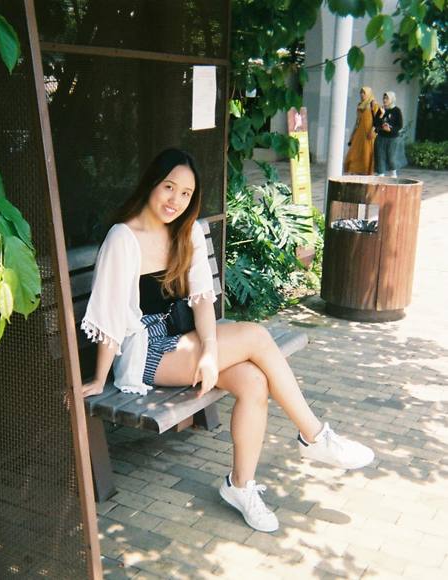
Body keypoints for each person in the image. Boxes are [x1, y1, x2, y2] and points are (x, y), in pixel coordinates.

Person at [81, 148, 374, 533]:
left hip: (181, 340)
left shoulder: (185, 231)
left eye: (185, 193)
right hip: (145, 349)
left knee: (253, 381)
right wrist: (100, 379)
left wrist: (208, 353)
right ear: (152, 184)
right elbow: (110, 314)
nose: (175, 200)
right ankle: (314, 436)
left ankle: (240, 486)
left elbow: (203, 302)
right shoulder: (124, 237)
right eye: (169, 187)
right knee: (256, 335)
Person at [344, 87, 380, 175]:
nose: (362, 94)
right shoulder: (360, 105)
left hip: (369, 132)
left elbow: (378, 119)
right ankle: (353, 169)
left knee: (366, 152)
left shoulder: (373, 104)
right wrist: (353, 133)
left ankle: (366, 170)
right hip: (359, 132)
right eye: (361, 93)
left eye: (364, 93)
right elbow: (358, 120)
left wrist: (373, 130)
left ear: (368, 93)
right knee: (354, 151)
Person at [374, 91, 404, 178]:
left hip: (392, 138)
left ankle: (393, 173)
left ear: (392, 99)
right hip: (381, 137)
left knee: (391, 157)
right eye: (384, 98)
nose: (384, 100)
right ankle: (381, 173)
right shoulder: (381, 110)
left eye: (387, 98)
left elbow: (399, 125)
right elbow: (375, 123)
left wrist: (390, 129)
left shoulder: (397, 110)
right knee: (380, 155)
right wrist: (381, 114)